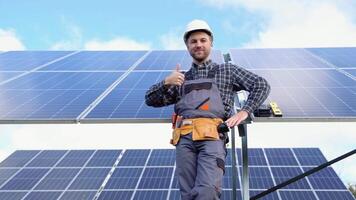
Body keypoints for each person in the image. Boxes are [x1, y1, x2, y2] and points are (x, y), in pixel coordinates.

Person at [145, 19, 270, 200]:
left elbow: (261, 84)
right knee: (187, 194)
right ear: (187, 46)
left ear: (211, 43)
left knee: (207, 191)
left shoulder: (227, 70)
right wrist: (166, 83)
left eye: (203, 40)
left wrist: (245, 111)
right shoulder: (180, 78)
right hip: (184, 138)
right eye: (193, 41)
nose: (198, 45)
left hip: (213, 138)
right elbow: (149, 99)